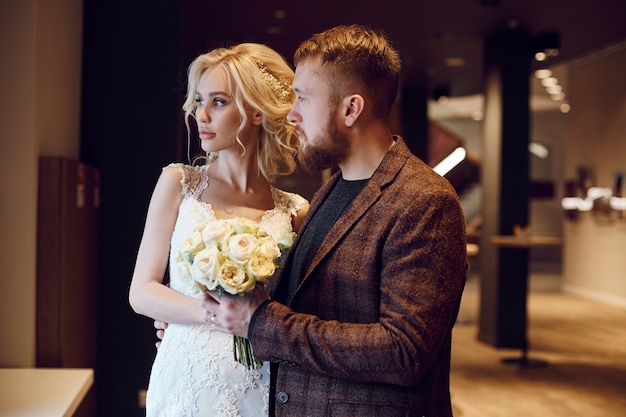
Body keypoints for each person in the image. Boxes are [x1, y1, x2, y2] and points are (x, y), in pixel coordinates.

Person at [198, 24, 468, 416]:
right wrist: (205, 326)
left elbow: (403, 352)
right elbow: (304, 303)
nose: (292, 115)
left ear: (350, 108)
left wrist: (263, 323)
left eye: (303, 99)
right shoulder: (328, 192)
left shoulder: (425, 201)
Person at [129, 42, 309, 416]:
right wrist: (208, 312)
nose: (201, 115)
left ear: (256, 112)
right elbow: (141, 292)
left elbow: (296, 312)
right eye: (198, 100)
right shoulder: (178, 183)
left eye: (219, 101)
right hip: (186, 380)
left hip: (261, 381)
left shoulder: (295, 210)